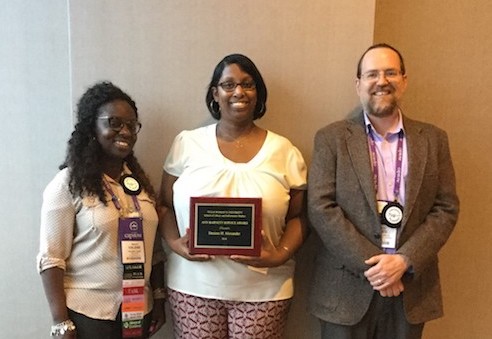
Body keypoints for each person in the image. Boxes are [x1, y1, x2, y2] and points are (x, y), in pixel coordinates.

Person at [307, 43, 460, 339]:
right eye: (372, 74)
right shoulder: (331, 138)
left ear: (404, 80)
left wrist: (403, 261)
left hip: (410, 289)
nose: (382, 81)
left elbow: (446, 208)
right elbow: (321, 207)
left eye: (390, 72)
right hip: (344, 288)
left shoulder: (433, 139)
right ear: (359, 84)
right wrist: (378, 267)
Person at [158, 53, 307, 338]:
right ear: (215, 93)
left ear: (258, 93)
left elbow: (300, 217)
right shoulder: (187, 143)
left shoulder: (284, 150)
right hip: (193, 287)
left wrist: (278, 256)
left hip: (265, 291)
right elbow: (163, 205)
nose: (238, 91)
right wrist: (177, 245)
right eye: (228, 84)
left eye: (247, 84)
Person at [37, 82, 166, 338]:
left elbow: (154, 250)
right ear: (92, 128)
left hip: (137, 311)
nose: (125, 132)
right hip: (89, 315)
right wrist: (60, 321)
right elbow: (51, 258)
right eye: (114, 123)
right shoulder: (67, 184)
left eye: (131, 125)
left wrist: (159, 298)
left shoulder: (139, 185)